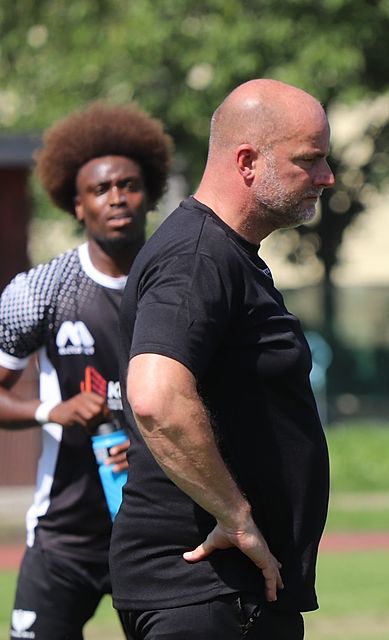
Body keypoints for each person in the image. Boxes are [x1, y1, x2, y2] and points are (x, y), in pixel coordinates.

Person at [112, 78, 335, 640]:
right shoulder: (197, 257)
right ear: (247, 162)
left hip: (227, 596)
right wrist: (235, 517)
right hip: (207, 593)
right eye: (309, 160)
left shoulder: (227, 254)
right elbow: (155, 396)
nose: (327, 177)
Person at [0, 103, 172, 639]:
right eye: (100, 189)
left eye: (129, 185)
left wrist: (146, 449)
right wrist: (51, 410)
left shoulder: (180, 284)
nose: (116, 197)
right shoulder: (41, 291)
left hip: (158, 532)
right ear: (77, 205)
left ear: (150, 193)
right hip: (65, 536)